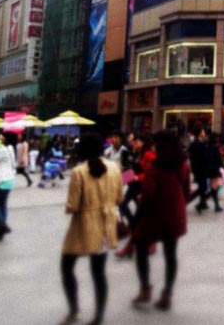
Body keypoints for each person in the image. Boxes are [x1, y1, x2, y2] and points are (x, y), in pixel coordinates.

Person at [60, 132, 123, 325]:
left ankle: (74, 311)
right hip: (106, 225)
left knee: (67, 266)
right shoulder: (114, 168)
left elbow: (72, 206)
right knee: (98, 272)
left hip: (83, 226)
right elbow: (120, 197)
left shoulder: (79, 171)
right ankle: (99, 316)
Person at [131, 130, 191, 312]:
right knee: (170, 254)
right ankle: (167, 295)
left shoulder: (155, 166)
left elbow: (148, 195)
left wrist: (139, 210)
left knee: (141, 247)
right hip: (175, 215)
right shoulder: (183, 164)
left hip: (155, 216)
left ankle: (145, 289)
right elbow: (187, 191)